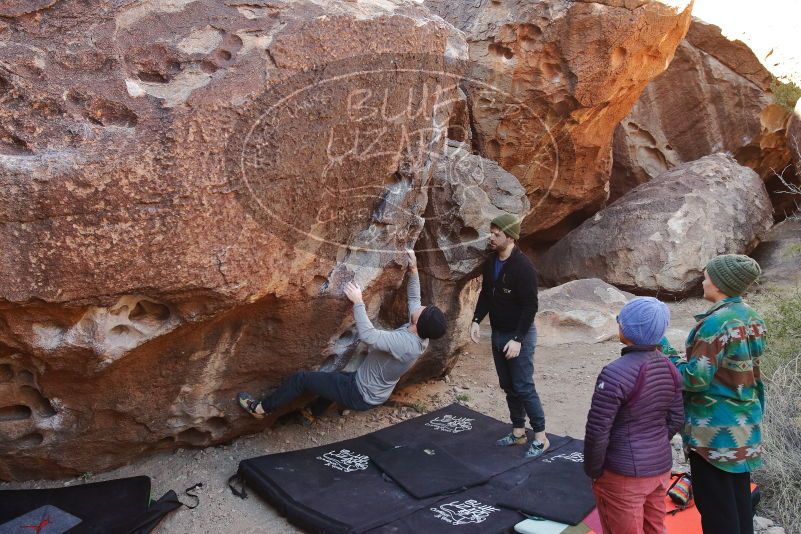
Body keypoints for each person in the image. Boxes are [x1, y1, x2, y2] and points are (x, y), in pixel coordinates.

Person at [237, 250, 447, 418]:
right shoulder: (420, 333)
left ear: (419, 322)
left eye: (424, 310)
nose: (422, 305)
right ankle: (312, 414)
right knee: (333, 379)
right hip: (371, 390)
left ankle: (260, 409)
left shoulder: (405, 343)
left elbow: (369, 335)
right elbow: (414, 299)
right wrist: (414, 269)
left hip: (360, 393)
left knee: (302, 379)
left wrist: (358, 302)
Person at [666, 255, 766, 534]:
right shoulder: (752, 316)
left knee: (717, 514)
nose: (703, 280)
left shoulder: (716, 324)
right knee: (738, 504)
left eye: (708, 276)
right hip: (745, 426)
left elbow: (695, 379)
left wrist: (665, 352)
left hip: (715, 433)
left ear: (721, 284)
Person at [584, 297, 684, 534]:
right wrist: (654, 444)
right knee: (655, 529)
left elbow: (598, 430)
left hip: (623, 474)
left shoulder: (615, 373)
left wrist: (593, 470)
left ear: (626, 330)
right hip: (659, 468)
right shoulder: (670, 367)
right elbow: (677, 419)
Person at [469, 214, 547, 458]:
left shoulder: (524, 268)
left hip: (517, 335)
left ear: (510, 237)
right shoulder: (491, 262)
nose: (491, 237)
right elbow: (486, 295)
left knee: (524, 386)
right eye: (491, 232)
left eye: (497, 233)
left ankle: (541, 438)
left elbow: (530, 307)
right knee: (508, 385)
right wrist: (475, 320)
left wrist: (519, 340)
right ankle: (518, 431)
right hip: (498, 332)